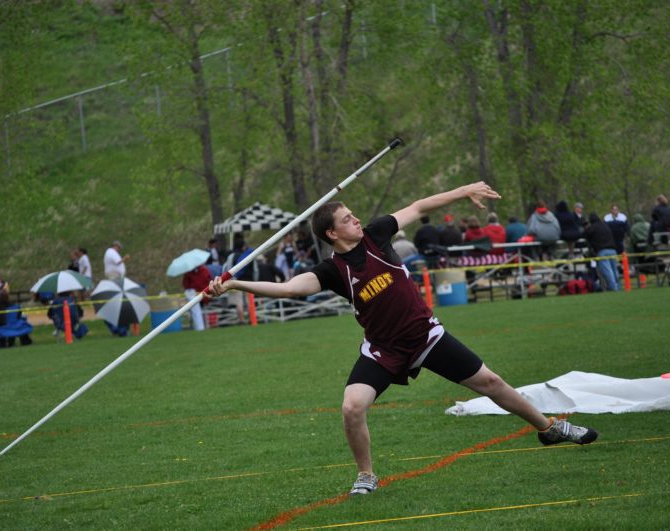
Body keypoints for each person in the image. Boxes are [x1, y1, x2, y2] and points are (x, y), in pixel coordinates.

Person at [206, 181, 598, 496]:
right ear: (331, 232)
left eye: (354, 215)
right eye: (347, 218)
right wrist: (234, 283)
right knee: (351, 407)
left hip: (425, 335)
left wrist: (463, 191)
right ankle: (366, 475)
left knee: (491, 382)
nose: (356, 219)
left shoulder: (377, 234)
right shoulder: (331, 270)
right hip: (384, 350)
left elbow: (419, 206)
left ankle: (549, 428)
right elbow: (291, 289)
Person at [584, 213, 620, 291]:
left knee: (607, 271)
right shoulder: (605, 225)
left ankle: (613, 287)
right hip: (613, 249)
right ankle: (618, 287)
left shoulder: (592, 228)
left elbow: (586, 234)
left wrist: (586, 227)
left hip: (602, 250)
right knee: (615, 270)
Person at [182, 263, 212, 331]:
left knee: (200, 311)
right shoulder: (188, 273)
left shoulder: (204, 270)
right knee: (196, 311)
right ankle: (199, 326)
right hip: (195, 295)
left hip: (204, 295)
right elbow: (186, 285)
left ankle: (203, 326)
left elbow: (208, 280)